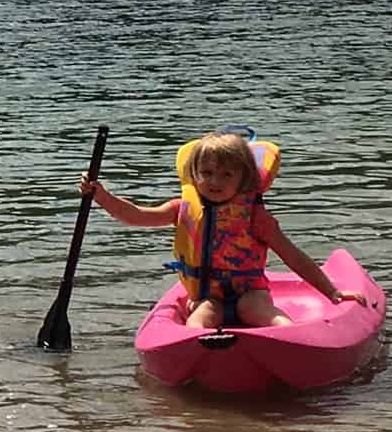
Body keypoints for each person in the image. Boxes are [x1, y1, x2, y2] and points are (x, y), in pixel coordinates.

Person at [79, 129, 366, 328]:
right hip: (207, 296)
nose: (215, 181)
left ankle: (288, 337)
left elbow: (294, 257)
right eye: (207, 173)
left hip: (251, 293)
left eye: (227, 174)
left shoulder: (255, 217)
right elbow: (137, 216)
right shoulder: (182, 209)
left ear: (244, 179)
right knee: (203, 315)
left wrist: (332, 292)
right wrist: (102, 197)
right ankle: (191, 348)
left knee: (254, 309)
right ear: (194, 174)